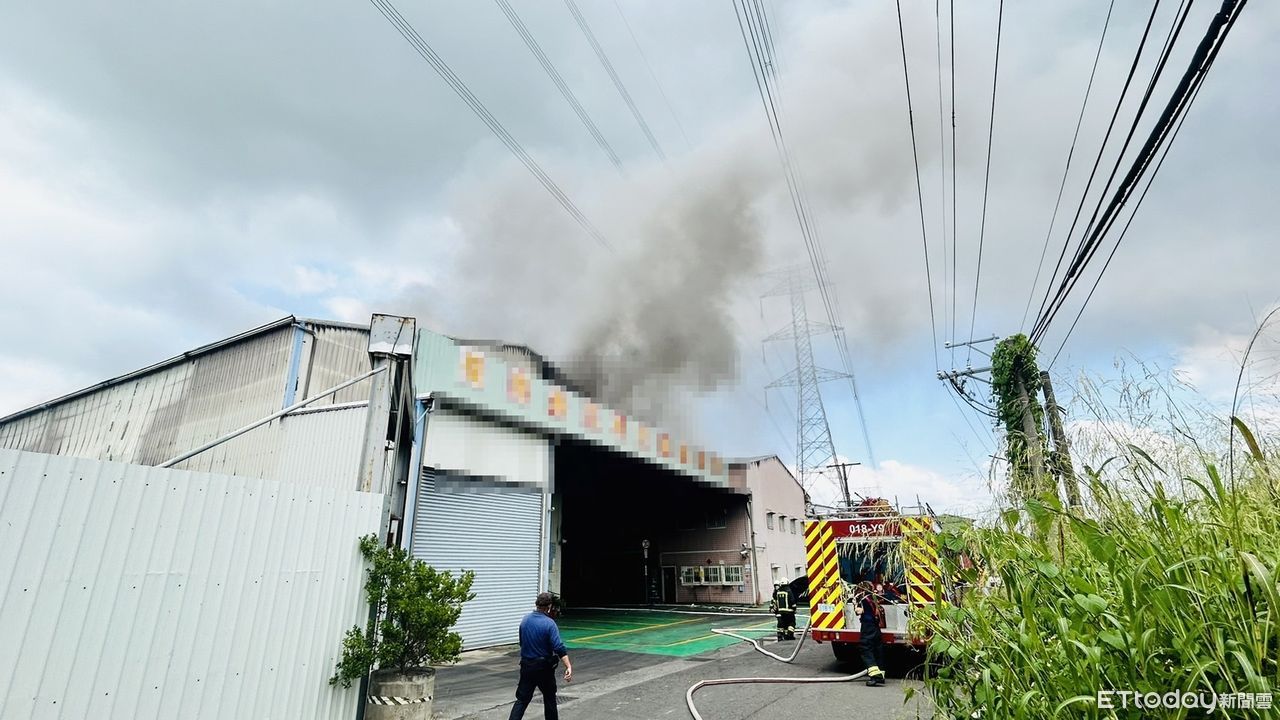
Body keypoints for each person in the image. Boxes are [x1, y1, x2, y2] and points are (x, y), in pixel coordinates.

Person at [508, 592, 573, 720]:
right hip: (544, 668)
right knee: (549, 698)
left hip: (527, 666)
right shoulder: (549, 624)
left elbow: (522, 642)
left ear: (536, 604)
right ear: (549, 606)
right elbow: (558, 647)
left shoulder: (525, 620)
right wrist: (568, 665)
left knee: (522, 700)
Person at [855, 582, 886, 686]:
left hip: (868, 627)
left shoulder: (864, 600)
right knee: (878, 649)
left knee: (866, 648)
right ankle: (881, 675)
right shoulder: (874, 598)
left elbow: (859, 611)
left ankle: (875, 676)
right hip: (876, 627)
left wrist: (856, 606)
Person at [771, 577, 798, 641]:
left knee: (783, 624)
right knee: (792, 623)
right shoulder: (788, 590)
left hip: (781, 612)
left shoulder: (778, 592)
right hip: (789, 612)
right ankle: (789, 635)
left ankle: (782, 635)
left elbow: (775, 601)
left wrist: (773, 609)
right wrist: (794, 608)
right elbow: (792, 600)